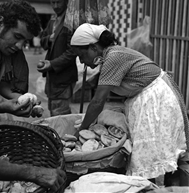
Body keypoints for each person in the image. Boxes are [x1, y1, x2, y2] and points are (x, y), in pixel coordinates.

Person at [70, 23, 189, 180]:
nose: (82, 61)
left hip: (157, 98)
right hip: (148, 96)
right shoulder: (110, 55)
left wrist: (82, 129)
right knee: (157, 156)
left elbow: (98, 101)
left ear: (93, 48)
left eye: (81, 56)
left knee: (160, 157)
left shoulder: (113, 57)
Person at [0, 0, 66, 191]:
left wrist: (9, 103)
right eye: (17, 36)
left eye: (24, 41)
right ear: (0, 23)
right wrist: (34, 173)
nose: (19, 45)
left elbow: (1, 83)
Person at [39, 0, 78, 116]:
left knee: (60, 112)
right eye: (53, 2)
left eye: (58, 2)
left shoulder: (71, 20)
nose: (55, 6)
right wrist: (48, 39)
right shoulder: (52, 19)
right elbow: (42, 39)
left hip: (64, 77)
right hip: (52, 77)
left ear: (66, 1)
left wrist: (52, 64)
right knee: (53, 109)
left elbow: (72, 51)